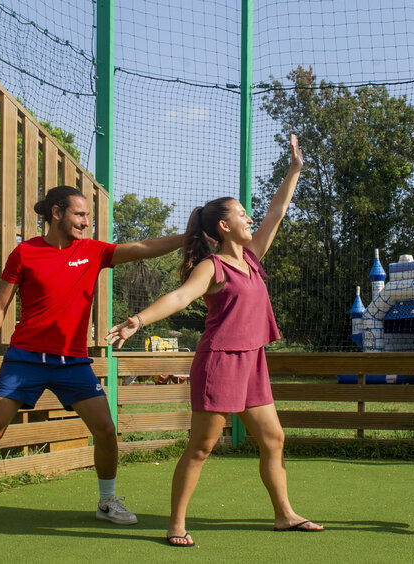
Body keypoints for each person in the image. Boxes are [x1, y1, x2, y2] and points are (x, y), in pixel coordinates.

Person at [106, 134, 322, 547]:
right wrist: (138, 319)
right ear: (224, 227)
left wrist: (293, 170)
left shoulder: (252, 256)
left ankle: (284, 514)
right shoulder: (213, 266)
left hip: (253, 361)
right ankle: (176, 524)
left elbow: (276, 212)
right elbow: (181, 296)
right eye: (241, 214)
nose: (248, 219)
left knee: (274, 439)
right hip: (220, 362)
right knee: (202, 447)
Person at [0, 185, 185, 537]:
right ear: (56, 213)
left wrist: (188, 236)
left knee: (105, 428)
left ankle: (107, 501)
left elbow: (143, 247)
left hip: (73, 362)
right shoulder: (24, 253)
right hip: (24, 359)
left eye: (87, 216)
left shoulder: (93, 252)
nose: (86, 222)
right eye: (80, 215)